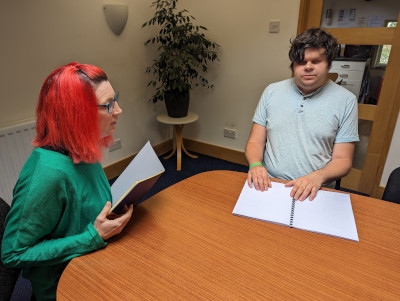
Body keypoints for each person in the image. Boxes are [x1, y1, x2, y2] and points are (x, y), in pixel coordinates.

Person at [1, 63, 134, 300]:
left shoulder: (82, 149)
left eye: (116, 99)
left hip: (95, 259)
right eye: (109, 105)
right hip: (66, 286)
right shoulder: (45, 175)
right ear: (77, 114)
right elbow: (13, 253)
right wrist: (91, 237)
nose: (119, 110)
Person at [245, 28, 359, 201]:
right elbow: (255, 141)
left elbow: (343, 159)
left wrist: (318, 177)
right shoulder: (271, 91)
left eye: (316, 61)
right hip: (269, 184)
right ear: (293, 65)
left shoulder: (346, 101)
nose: (308, 67)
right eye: (301, 62)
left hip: (315, 189)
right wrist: (255, 165)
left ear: (329, 63)